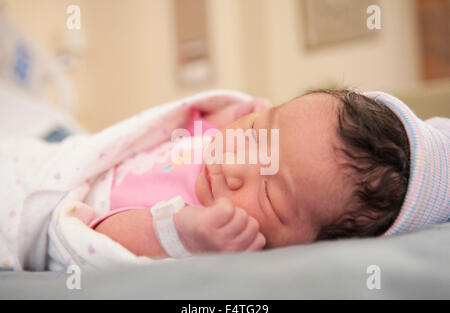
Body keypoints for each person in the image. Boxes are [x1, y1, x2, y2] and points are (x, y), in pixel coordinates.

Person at [71, 89, 449, 260]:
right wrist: (231, 114)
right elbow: (192, 122)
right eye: (257, 133)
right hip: (70, 155)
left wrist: (176, 235)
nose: (233, 166)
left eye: (270, 195)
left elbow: (92, 238)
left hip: (63, 199)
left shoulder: (211, 235)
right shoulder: (221, 136)